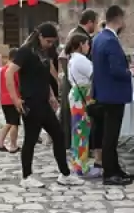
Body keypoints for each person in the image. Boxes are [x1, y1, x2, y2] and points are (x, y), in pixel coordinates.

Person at [5, 22, 84, 188]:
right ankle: (26, 177)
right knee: (31, 140)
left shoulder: (44, 52)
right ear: (40, 37)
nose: (50, 45)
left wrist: (51, 95)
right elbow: (9, 73)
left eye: (52, 42)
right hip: (31, 103)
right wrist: (15, 99)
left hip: (43, 102)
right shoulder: (25, 52)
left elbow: (42, 75)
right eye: (48, 41)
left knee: (58, 134)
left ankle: (65, 174)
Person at [92, 5, 134, 186]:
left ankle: (115, 168)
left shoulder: (99, 38)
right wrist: (131, 72)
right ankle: (110, 173)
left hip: (104, 93)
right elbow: (116, 70)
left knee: (109, 135)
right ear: (119, 20)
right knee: (111, 136)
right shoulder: (110, 41)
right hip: (113, 94)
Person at [60, 10, 99, 150]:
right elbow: (62, 57)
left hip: (75, 84)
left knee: (78, 126)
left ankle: (78, 155)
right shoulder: (79, 36)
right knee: (81, 128)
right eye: (95, 22)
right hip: (79, 86)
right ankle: (81, 160)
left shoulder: (76, 35)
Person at [66, 32, 102, 177]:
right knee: (81, 133)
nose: (88, 47)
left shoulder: (73, 59)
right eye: (87, 44)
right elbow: (95, 75)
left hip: (76, 96)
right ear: (81, 44)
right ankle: (81, 167)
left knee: (79, 132)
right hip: (81, 96)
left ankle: (78, 164)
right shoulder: (81, 60)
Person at [0, 48, 20, 153]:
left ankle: (0, 143)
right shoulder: (14, 70)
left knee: (9, 122)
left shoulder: (2, 69)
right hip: (12, 99)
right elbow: (18, 84)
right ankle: (13, 145)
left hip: (4, 100)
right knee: (14, 123)